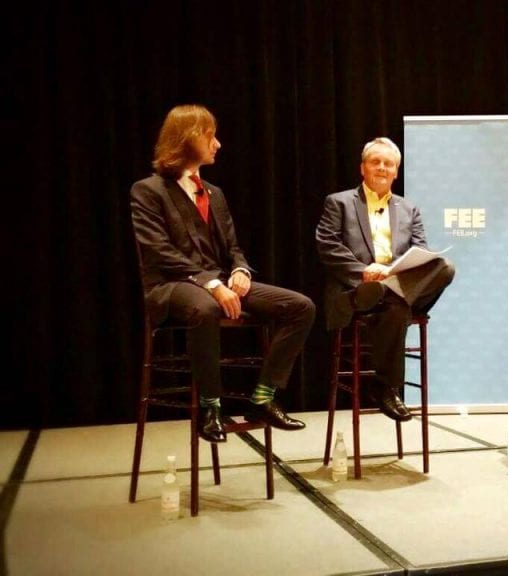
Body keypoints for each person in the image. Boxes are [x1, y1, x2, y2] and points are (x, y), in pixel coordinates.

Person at [130, 104, 316, 442]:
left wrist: (240, 270)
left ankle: (262, 398)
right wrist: (213, 283)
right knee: (206, 307)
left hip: (216, 281)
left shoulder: (214, 193)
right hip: (171, 285)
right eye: (210, 136)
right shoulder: (148, 190)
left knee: (300, 307)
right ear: (189, 138)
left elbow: (232, 247)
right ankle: (210, 406)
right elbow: (159, 251)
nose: (217, 144)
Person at [316, 137, 455, 421]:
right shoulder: (339, 202)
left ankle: (389, 295)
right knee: (394, 303)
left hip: (394, 284)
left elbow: (421, 251)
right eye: (375, 162)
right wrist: (362, 271)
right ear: (362, 168)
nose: (381, 167)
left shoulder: (409, 209)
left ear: (396, 172)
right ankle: (388, 387)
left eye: (388, 164)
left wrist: (394, 271)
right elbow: (327, 246)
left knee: (445, 268)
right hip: (355, 288)